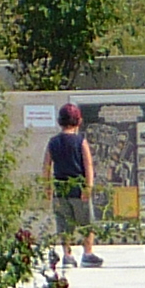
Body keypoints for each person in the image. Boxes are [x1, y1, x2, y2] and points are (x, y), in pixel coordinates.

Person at [44, 103, 97, 265]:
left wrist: (47, 187)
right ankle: (87, 254)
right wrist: (88, 187)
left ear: (60, 121)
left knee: (64, 225)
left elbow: (46, 165)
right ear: (79, 121)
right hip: (79, 191)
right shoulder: (81, 141)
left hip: (60, 190)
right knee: (87, 224)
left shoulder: (53, 142)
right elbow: (88, 165)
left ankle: (67, 255)